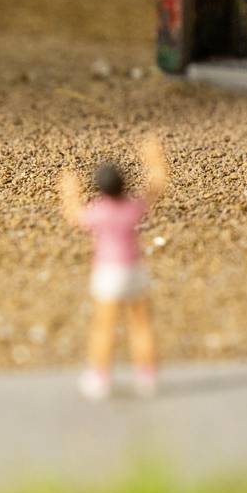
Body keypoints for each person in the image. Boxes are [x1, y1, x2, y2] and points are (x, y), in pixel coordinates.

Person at [60, 134, 169, 399]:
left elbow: (74, 215)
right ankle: (147, 377)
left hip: (108, 272)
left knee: (103, 326)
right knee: (140, 323)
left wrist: (69, 189)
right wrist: (155, 160)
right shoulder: (131, 208)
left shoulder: (98, 211)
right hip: (133, 268)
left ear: (99, 188)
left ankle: (100, 378)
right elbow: (155, 187)